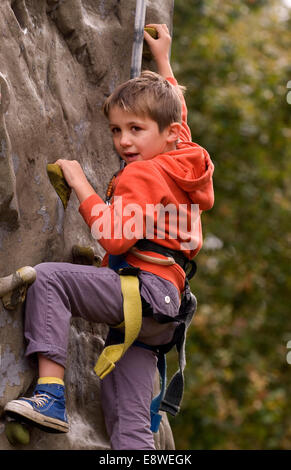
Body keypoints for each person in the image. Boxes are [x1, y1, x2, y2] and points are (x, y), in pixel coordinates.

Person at [4, 24, 214, 450]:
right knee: (132, 433)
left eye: (135, 129)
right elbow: (178, 117)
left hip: (143, 293)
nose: (124, 141)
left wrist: (80, 183)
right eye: (117, 130)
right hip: (160, 317)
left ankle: (50, 396)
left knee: (48, 279)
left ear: (164, 133)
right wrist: (164, 62)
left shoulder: (143, 173)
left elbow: (116, 238)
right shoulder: (183, 159)